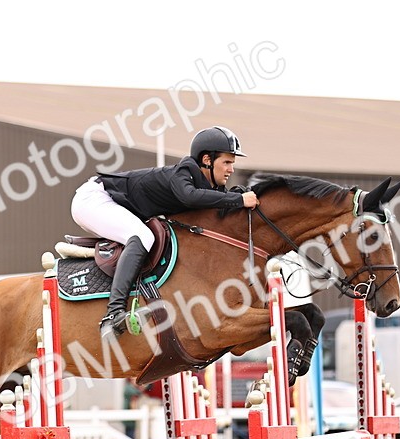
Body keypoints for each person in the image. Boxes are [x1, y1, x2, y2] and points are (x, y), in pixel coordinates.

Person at [71, 126, 259, 339]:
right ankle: (113, 314)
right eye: (227, 162)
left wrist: (240, 198)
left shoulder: (207, 185)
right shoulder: (183, 172)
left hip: (108, 203)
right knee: (142, 236)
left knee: (143, 234)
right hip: (93, 199)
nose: (231, 170)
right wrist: (238, 200)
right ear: (207, 159)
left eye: (232, 164)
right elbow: (191, 197)